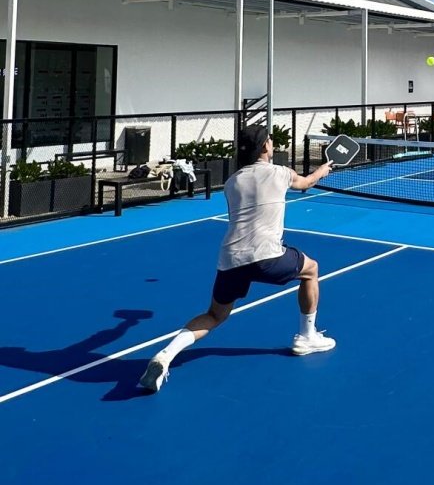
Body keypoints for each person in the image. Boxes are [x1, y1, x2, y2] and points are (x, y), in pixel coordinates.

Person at [139, 126, 335, 393]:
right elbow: (306, 183)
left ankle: (165, 355)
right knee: (311, 269)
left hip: (230, 259)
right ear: (265, 147)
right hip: (267, 256)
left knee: (215, 314)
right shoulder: (280, 172)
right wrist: (323, 169)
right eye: (270, 140)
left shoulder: (232, 182)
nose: (272, 143)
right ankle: (306, 337)